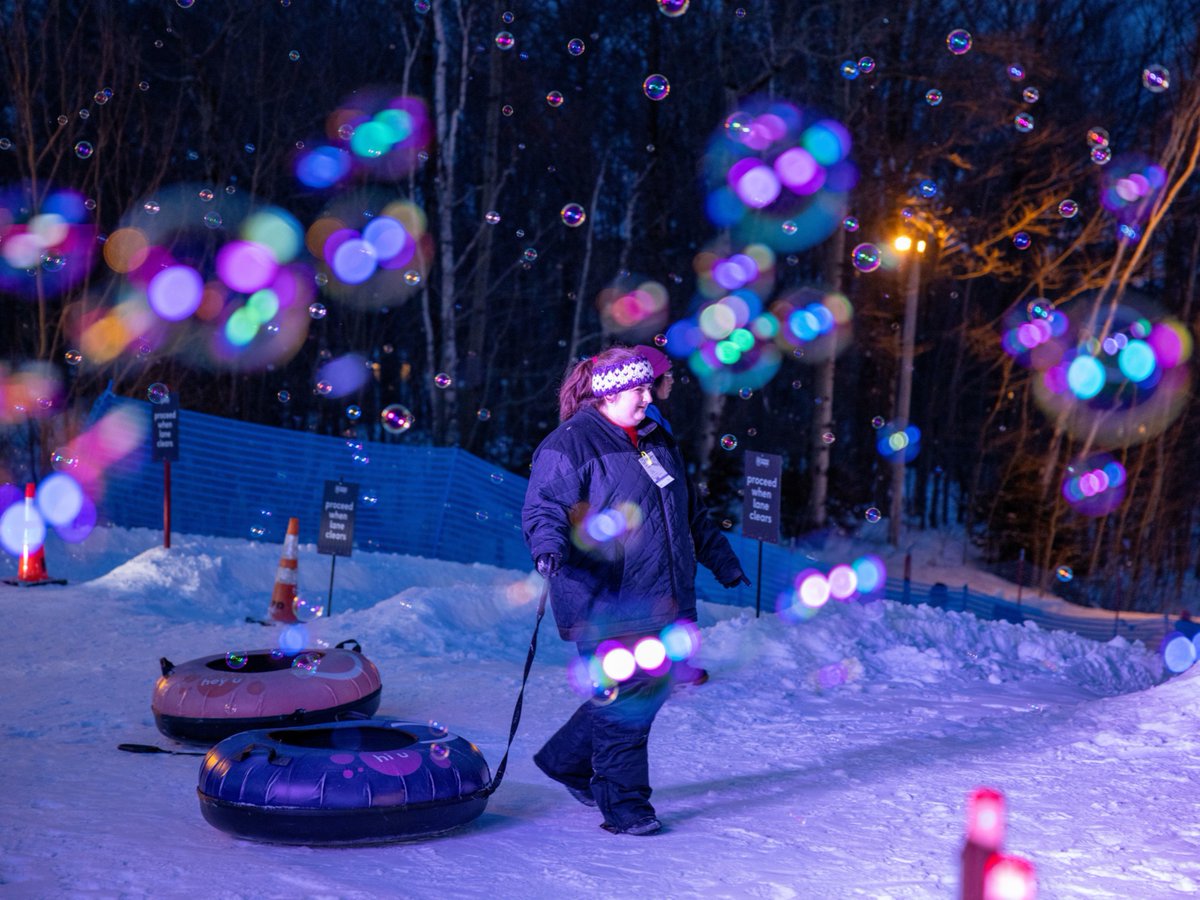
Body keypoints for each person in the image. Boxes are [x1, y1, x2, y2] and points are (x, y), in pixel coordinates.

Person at [522, 346, 748, 836]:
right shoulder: (570, 444)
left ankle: (566, 758)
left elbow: (690, 511)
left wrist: (723, 560)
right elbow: (544, 510)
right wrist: (549, 548)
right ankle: (625, 807)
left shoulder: (655, 437)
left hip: (663, 594)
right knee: (626, 704)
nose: (649, 396)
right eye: (638, 388)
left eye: (648, 386)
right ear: (607, 393)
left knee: (649, 686)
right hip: (604, 597)